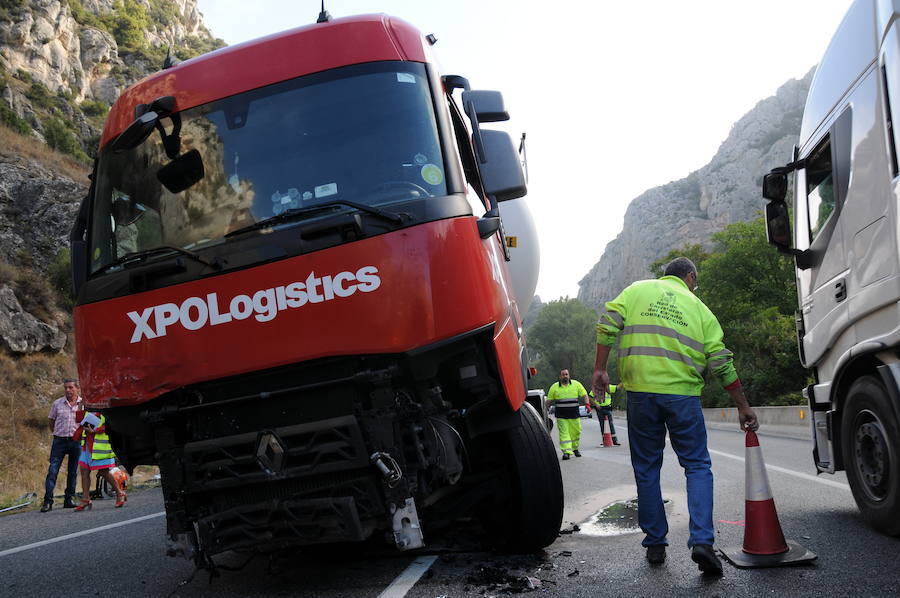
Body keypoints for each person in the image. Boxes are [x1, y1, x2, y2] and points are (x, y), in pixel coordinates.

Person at [591, 257, 758, 574]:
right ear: (690, 278)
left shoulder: (637, 290)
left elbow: (607, 322)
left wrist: (600, 368)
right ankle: (702, 543)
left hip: (640, 393)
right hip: (683, 397)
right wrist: (742, 405)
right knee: (697, 465)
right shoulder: (699, 309)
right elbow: (721, 362)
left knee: (646, 467)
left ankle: (655, 544)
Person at [41, 379, 83, 512]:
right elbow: (51, 421)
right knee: (53, 471)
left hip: (76, 442)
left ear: (77, 388)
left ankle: (69, 499)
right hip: (59, 441)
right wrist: (57, 433)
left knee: (72, 472)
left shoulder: (83, 404)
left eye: (71, 387)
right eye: (66, 388)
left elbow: (86, 422)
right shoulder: (57, 404)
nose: (68, 390)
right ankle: (48, 502)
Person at [72, 412, 126, 510]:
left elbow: (110, 425)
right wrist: (80, 406)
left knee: (103, 472)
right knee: (84, 471)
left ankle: (119, 493)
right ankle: (86, 499)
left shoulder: (103, 407)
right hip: (87, 445)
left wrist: (95, 430)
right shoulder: (88, 406)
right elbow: (79, 419)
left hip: (100, 447)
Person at [547, 369, 589, 460]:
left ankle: (575, 449)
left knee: (576, 433)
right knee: (564, 434)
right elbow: (549, 401)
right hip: (561, 416)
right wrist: (545, 410)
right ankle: (566, 452)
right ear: (560, 376)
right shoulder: (554, 387)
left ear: (569, 375)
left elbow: (585, 394)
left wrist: (587, 404)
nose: (565, 376)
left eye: (566, 374)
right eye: (563, 374)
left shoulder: (576, 384)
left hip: (574, 415)